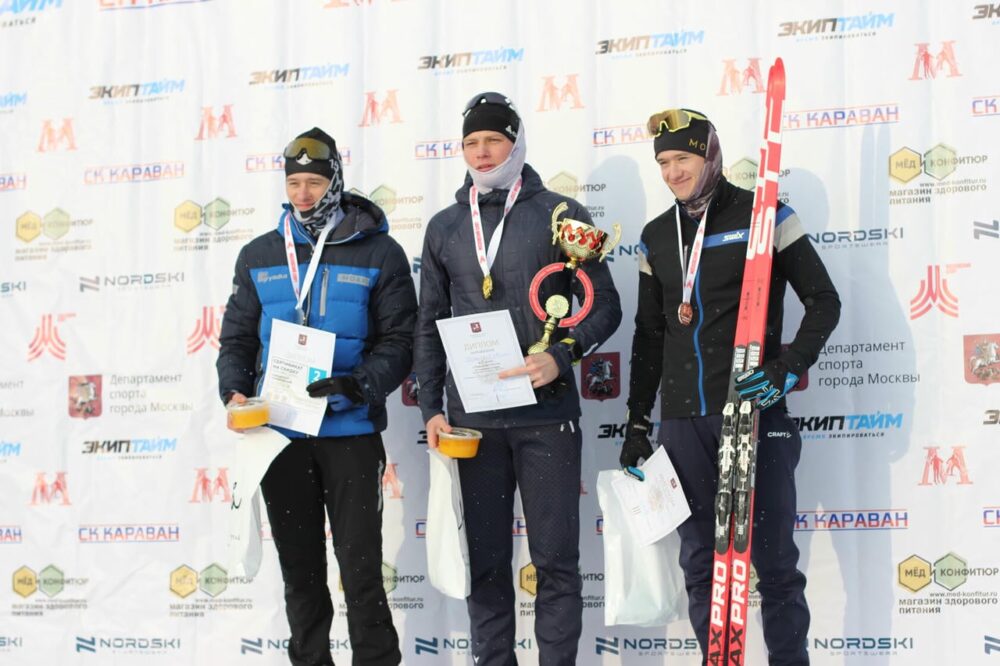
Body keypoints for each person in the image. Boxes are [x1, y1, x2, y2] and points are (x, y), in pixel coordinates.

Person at [621, 109, 840, 665]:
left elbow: (824, 301)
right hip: (683, 422)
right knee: (701, 563)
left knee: (774, 564)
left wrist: (787, 367)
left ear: (710, 156)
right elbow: (649, 337)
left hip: (752, 412)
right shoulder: (656, 236)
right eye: (664, 162)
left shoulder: (764, 215)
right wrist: (638, 422)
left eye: (683, 158)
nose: (673, 172)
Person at [414, 92, 622, 665]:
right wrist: (431, 407)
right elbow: (428, 323)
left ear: (516, 142)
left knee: (555, 562)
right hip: (473, 424)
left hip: (545, 416)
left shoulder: (560, 214)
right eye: (471, 143)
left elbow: (606, 305)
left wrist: (563, 353)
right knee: (485, 563)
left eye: (493, 140)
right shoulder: (444, 227)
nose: (482, 153)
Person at [217, 127, 416, 666]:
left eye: (314, 182)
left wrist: (359, 384)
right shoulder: (259, 253)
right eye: (294, 183)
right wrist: (234, 392)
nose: (303, 193)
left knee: (361, 571)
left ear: (335, 183)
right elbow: (236, 340)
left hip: (349, 433)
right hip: (280, 435)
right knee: (300, 573)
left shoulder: (380, 252)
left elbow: (401, 340)